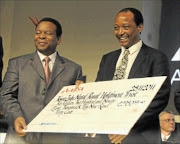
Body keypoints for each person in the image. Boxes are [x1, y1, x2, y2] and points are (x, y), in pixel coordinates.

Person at [94, 7, 170, 144]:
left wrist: (127, 125)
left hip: (141, 135)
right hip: (108, 135)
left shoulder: (156, 57)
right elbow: (99, 93)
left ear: (140, 27)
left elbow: (160, 98)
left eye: (126, 27)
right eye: (116, 28)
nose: (120, 32)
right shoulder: (107, 59)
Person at [0, 17, 83, 144]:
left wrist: (82, 92)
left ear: (59, 39)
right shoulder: (17, 64)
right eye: (38, 33)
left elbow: (75, 103)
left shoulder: (74, 69)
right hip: (21, 135)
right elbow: (6, 95)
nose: (42, 36)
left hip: (56, 137)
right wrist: (16, 117)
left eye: (48, 33)